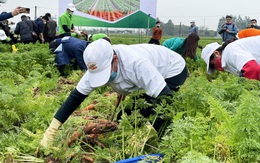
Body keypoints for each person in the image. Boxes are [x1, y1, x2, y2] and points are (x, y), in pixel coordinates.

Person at [40, 39, 188, 147]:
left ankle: (160, 136)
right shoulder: (96, 64)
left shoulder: (136, 64)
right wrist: (51, 130)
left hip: (172, 69)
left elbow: (166, 98)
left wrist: (145, 134)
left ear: (115, 59)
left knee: (152, 111)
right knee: (123, 118)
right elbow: (74, 98)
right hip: (146, 77)